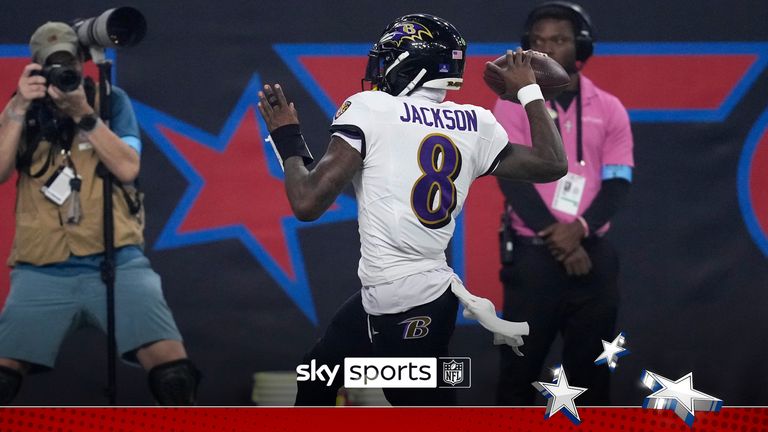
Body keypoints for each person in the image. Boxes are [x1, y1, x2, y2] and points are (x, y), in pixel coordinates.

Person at [258, 13, 567, 406]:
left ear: (410, 63)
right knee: (318, 374)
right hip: (406, 294)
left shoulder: (372, 108)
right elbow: (552, 163)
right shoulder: (476, 123)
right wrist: (530, 92)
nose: (381, 70)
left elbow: (306, 203)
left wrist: (286, 137)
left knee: (418, 408)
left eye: (388, 59)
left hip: (409, 302)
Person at [0, 22, 200, 405]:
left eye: (67, 63)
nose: (62, 72)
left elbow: (128, 168)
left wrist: (85, 116)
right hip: (40, 264)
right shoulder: (20, 109)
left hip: (116, 261)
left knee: (175, 376)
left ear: (81, 60)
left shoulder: (110, 101)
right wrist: (17, 108)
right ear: (36, 67)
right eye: (52, 65)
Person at [494, 1, 634, 406]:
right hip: (532, 256)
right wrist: (556, 237)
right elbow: (509, 175)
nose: (547, 48)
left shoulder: (609, 108)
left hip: (592, 254)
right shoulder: (509, 103)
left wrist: (579, 231)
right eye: (537, 41)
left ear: (581, 47)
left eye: (559, 40)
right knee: (518, 371)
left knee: (591, 375)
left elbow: (618, 183)